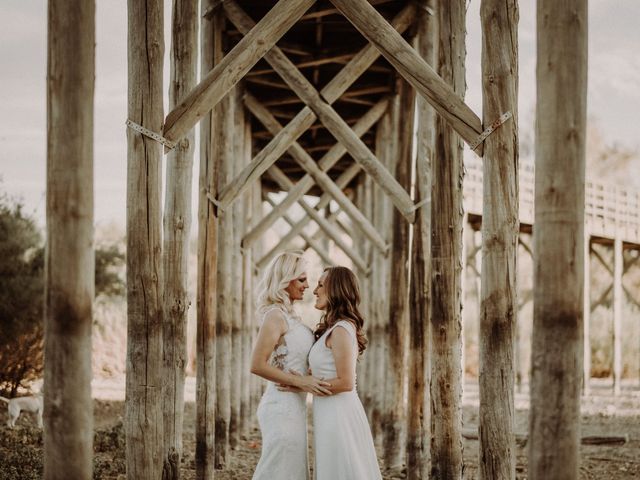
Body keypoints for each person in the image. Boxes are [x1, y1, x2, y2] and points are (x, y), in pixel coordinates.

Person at [250, 251, 331, 480]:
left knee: (291, 471)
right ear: (285, 280)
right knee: (278, 470)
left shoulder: (291, 315)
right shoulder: (275, 315)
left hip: (295, 406)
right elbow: (257, 364)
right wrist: (301, 381)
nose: (308, 285)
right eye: (301, 279)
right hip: (280, 405)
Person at [309, 266, 382, 479]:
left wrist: (303, 383)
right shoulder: (334, 328)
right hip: (328, 411)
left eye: (321, 285)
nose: (315, 290)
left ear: (336, 290)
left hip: (339, 414)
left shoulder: (341, 330)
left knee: (342, 469)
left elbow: (346, 382)